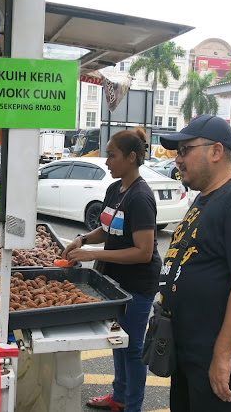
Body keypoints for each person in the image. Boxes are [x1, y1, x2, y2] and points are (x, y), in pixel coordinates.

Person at [158, 114, 231, 411]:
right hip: (189, 344)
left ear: (216, 151)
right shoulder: (205, 198)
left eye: (184, 150)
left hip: (214, 348)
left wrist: (222, 354)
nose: (177, 160)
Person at [63, 128, 161, 412]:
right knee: (118, 340)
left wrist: (91, 253)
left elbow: (144, 252)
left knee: (132, 350)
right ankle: (118, 397)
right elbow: (107, 230)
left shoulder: (140, 197)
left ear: (131, 157)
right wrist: (82, 240)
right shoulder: (115, 188)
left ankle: (133, 406)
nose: (107, 162)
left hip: (137, 285)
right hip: (113, 280)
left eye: (112, 156)